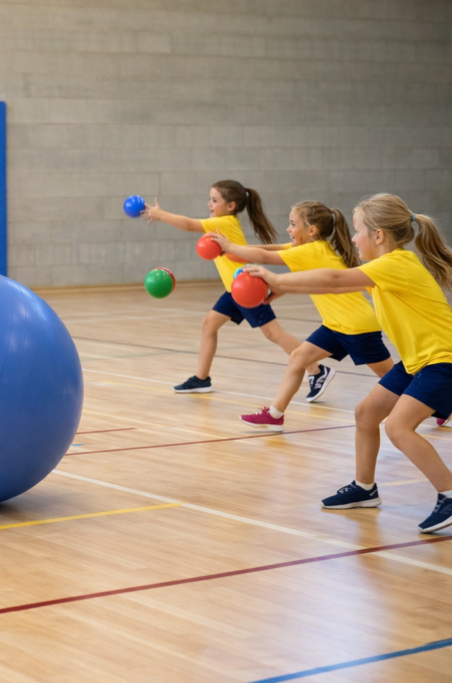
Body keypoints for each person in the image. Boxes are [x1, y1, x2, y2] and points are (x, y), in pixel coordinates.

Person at [246, 194, 452, 533]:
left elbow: (335, 280)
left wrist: (278, 280)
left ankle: (448, 493)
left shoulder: (397, 263)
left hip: (442, 360)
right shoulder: (384, 269)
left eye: (357, 231)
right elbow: (332, 283)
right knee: (366, 413)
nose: (353, 238)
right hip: (418, 361)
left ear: (379, 235)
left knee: (398, 428)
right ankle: (365, 488)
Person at [209, 201, 393, 431]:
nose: (288, 229)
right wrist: (233, 248)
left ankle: (440, 406)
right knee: (298, 358)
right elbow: (271, 250)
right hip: (336, 325)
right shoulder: (312, 248)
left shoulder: (311, 250)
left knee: (391, 376)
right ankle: (275, 414)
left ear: (312, 230)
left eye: (293, 224)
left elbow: (263, 258)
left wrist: (230, 246)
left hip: (356, 326)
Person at [142, 180, 322, 394]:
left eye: (215, 200)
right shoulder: (219, 221)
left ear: (231, 206)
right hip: (233, 289)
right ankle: (201, 378)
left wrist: (159, 214)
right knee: (209, 324)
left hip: (247, 286)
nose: (209, 203)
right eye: (209, 199)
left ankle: (316, 370)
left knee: (273, 333)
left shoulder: (225, 222)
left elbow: (190, 225)